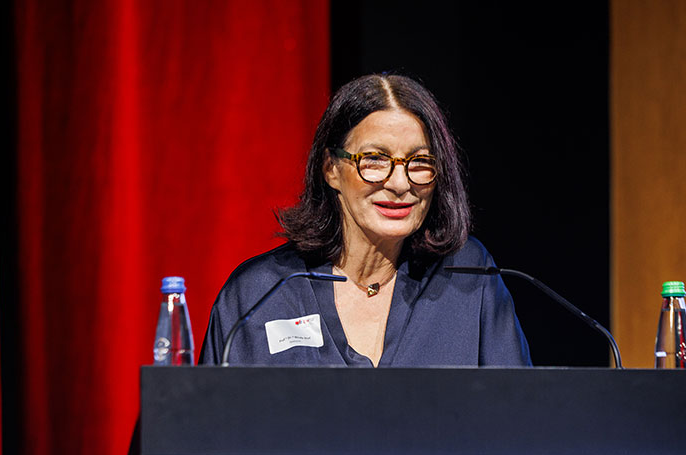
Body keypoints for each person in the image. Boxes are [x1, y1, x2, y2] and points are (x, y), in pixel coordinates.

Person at [199, 73, 531, 367]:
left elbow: (521, 420)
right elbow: (209, 428)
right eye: (374, 159)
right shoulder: (260, 292)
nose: (400, 183)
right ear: (330, 169)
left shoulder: (471, 277)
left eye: (419, 162)